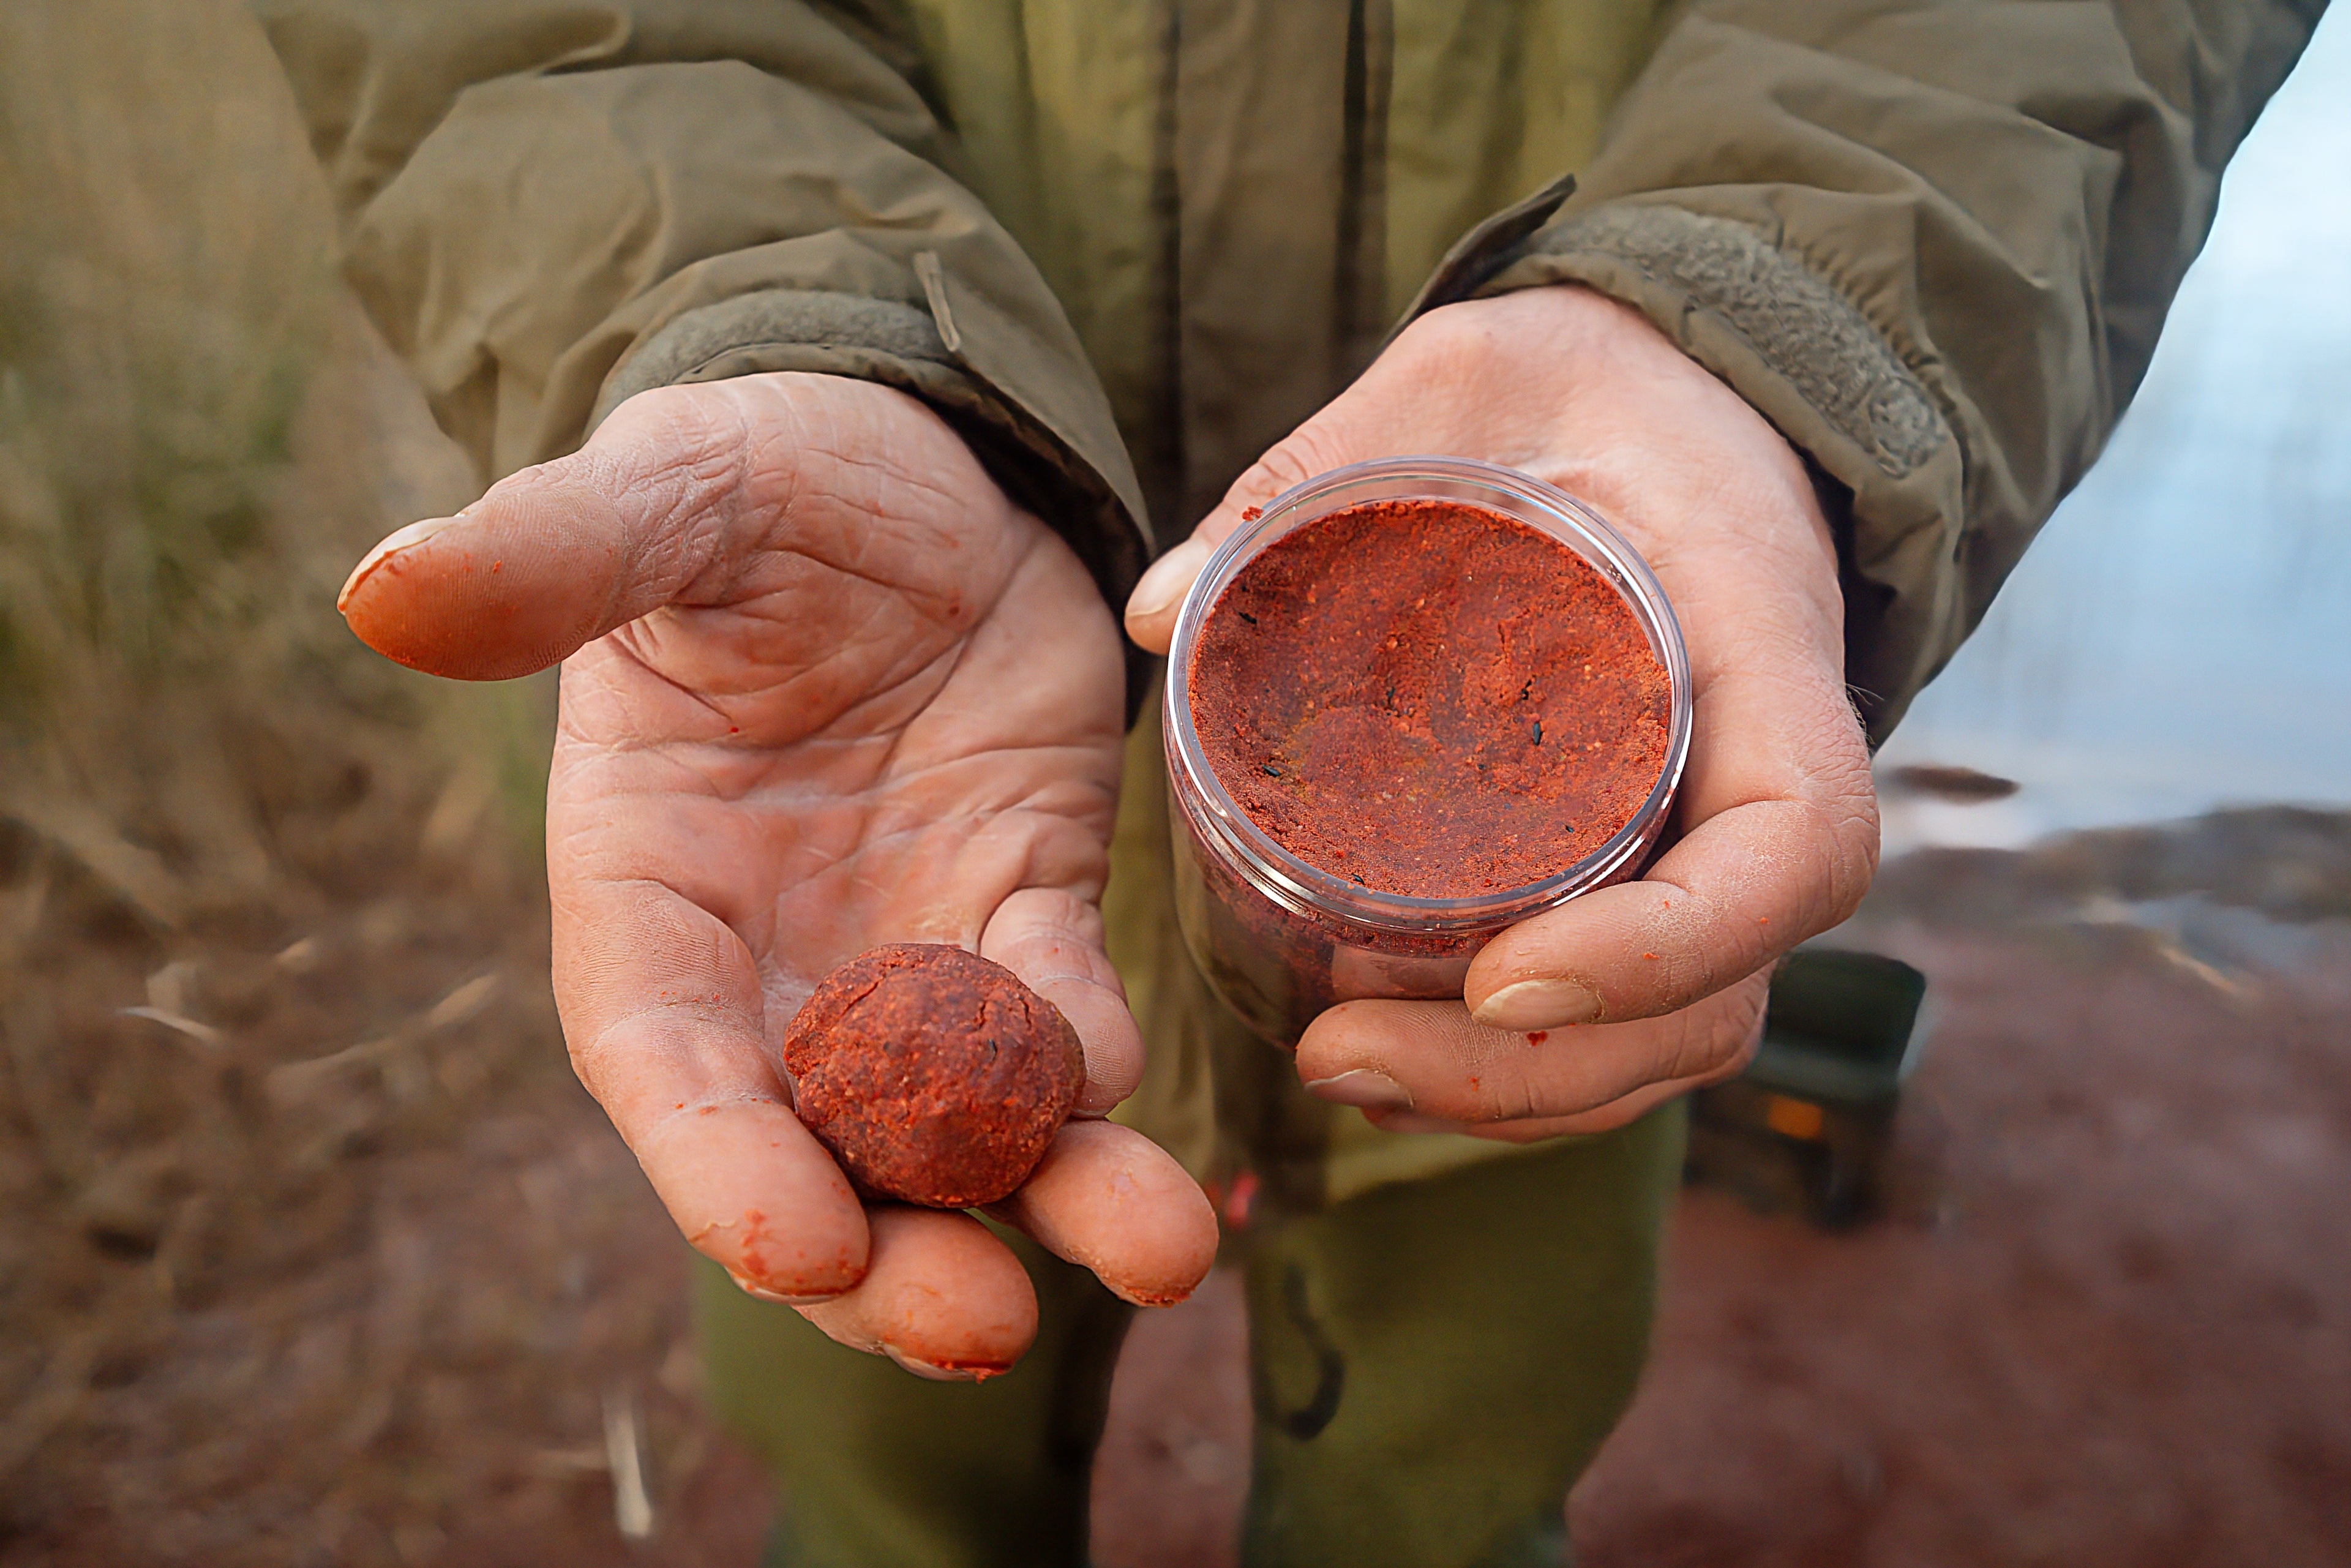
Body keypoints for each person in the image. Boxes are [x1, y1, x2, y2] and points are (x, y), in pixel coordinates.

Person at [259, 2, 2322, 1562]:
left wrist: (1773, 323)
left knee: (1453, 1473)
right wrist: (752, 308)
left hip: (1539, 842)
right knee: (886, 1467)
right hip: (880, 797)